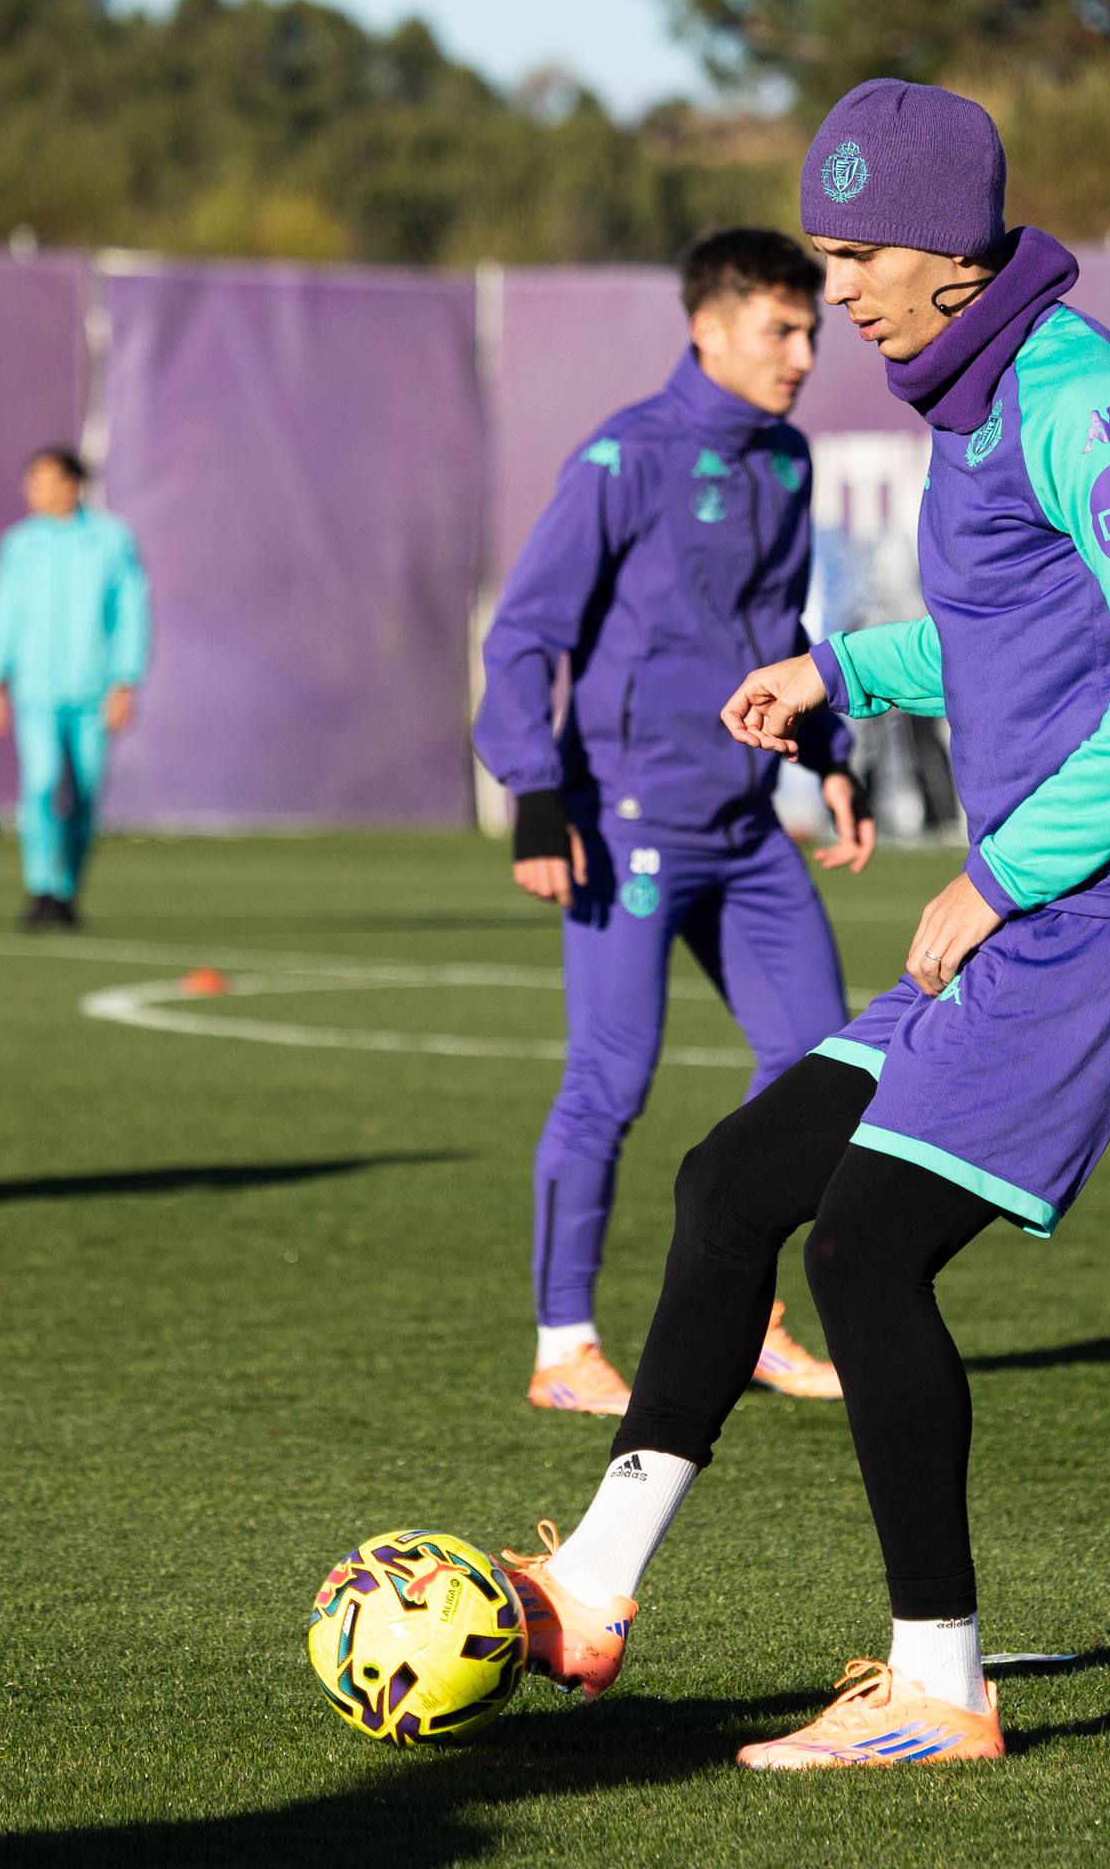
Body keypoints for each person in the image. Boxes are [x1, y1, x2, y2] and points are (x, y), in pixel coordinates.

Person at [499, 79, 1110, 1770]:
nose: (834, 294)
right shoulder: (981, 402)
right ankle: (597, 1586)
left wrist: (1001, 872)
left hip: (1105, 916)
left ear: (956, 254)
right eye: (820, 258)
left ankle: (938, 1687)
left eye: (855, 255)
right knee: (731, 1188)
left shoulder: (1079, 404)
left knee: (858, 1251)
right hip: (1053, 908)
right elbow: (1004, 638)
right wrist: (841, 668)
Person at [474, 227, 874, 1419]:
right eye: (780, 330)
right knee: (611, 1079)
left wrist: (827, 753)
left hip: (747, 827)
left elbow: (778, 629)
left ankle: (748, 1320)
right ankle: (562, 1348)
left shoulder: (788, 463)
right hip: (626, 823)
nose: (805, 352)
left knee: (821, 1075)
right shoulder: (624, 457)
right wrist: (536, 799)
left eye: (811, 330)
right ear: (707, 328)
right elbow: (524, 635)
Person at [0, 447, 149, 932]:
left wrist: (125, 681)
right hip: (35, 689)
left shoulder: (111, 541)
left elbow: (131, 614)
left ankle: (68, 889)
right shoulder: (21, 544)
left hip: (93, 689)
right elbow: (3, 612)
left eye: (45, 481)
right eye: (32, 481)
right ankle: (40, 887)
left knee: (86, 794)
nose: (34, 491)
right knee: (42, 783)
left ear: (74, 485)